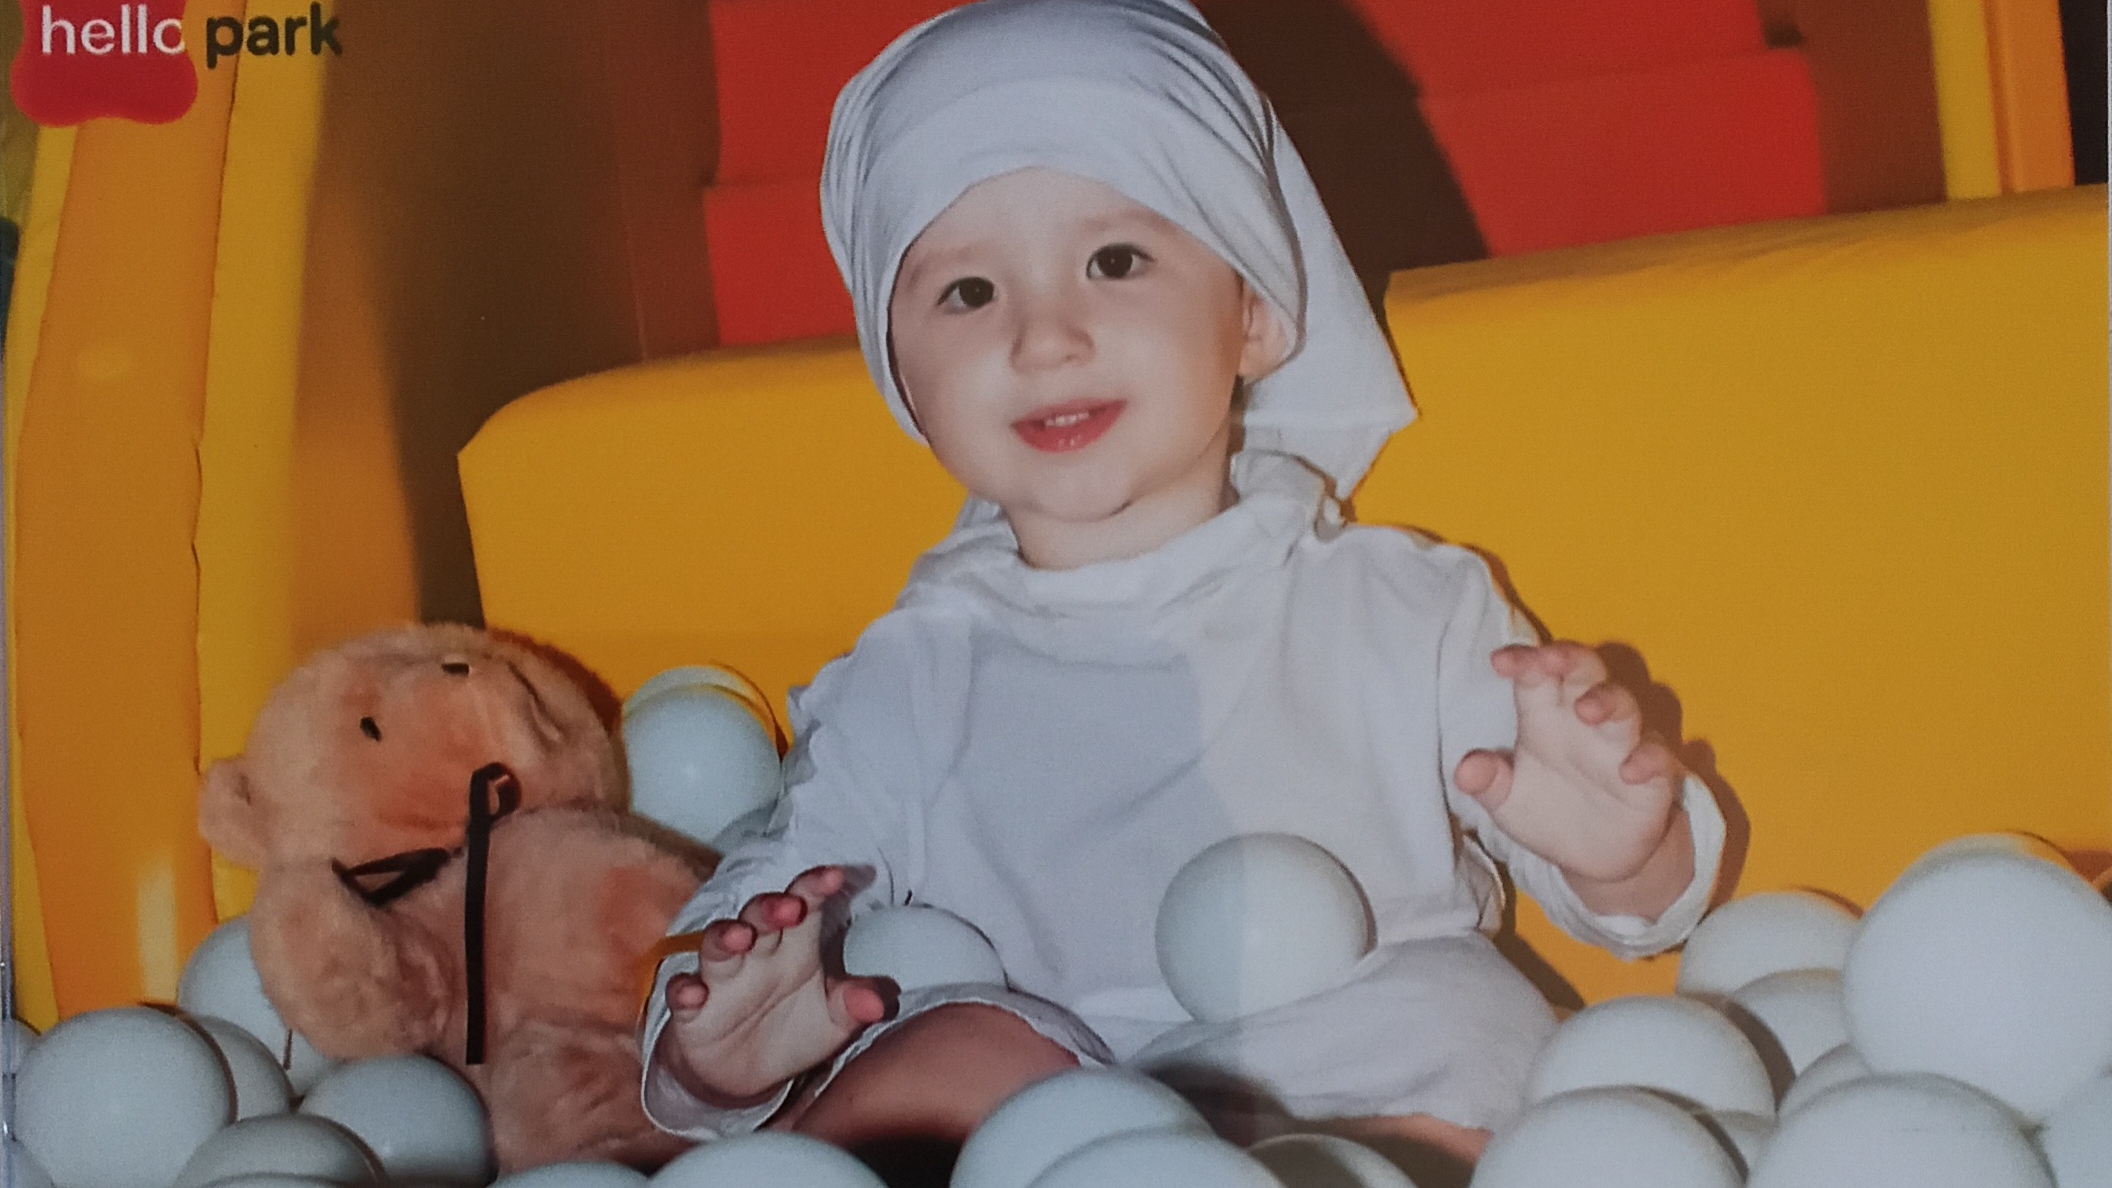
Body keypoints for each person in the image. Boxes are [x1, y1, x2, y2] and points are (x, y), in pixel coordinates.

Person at [638, 0, 1727, 1169]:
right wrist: (717, 1055)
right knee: (948, 1045)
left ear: (1255, 312)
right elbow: (763, 898)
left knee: (1459, 1010)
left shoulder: (1403, 610)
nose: (1044, 338)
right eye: (969, 293)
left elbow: (1642, 913)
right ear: (899, 370)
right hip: (1060, 1117)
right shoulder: (908, 677)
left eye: (1115, 262)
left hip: (1353, 1072)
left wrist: (1623, 854)